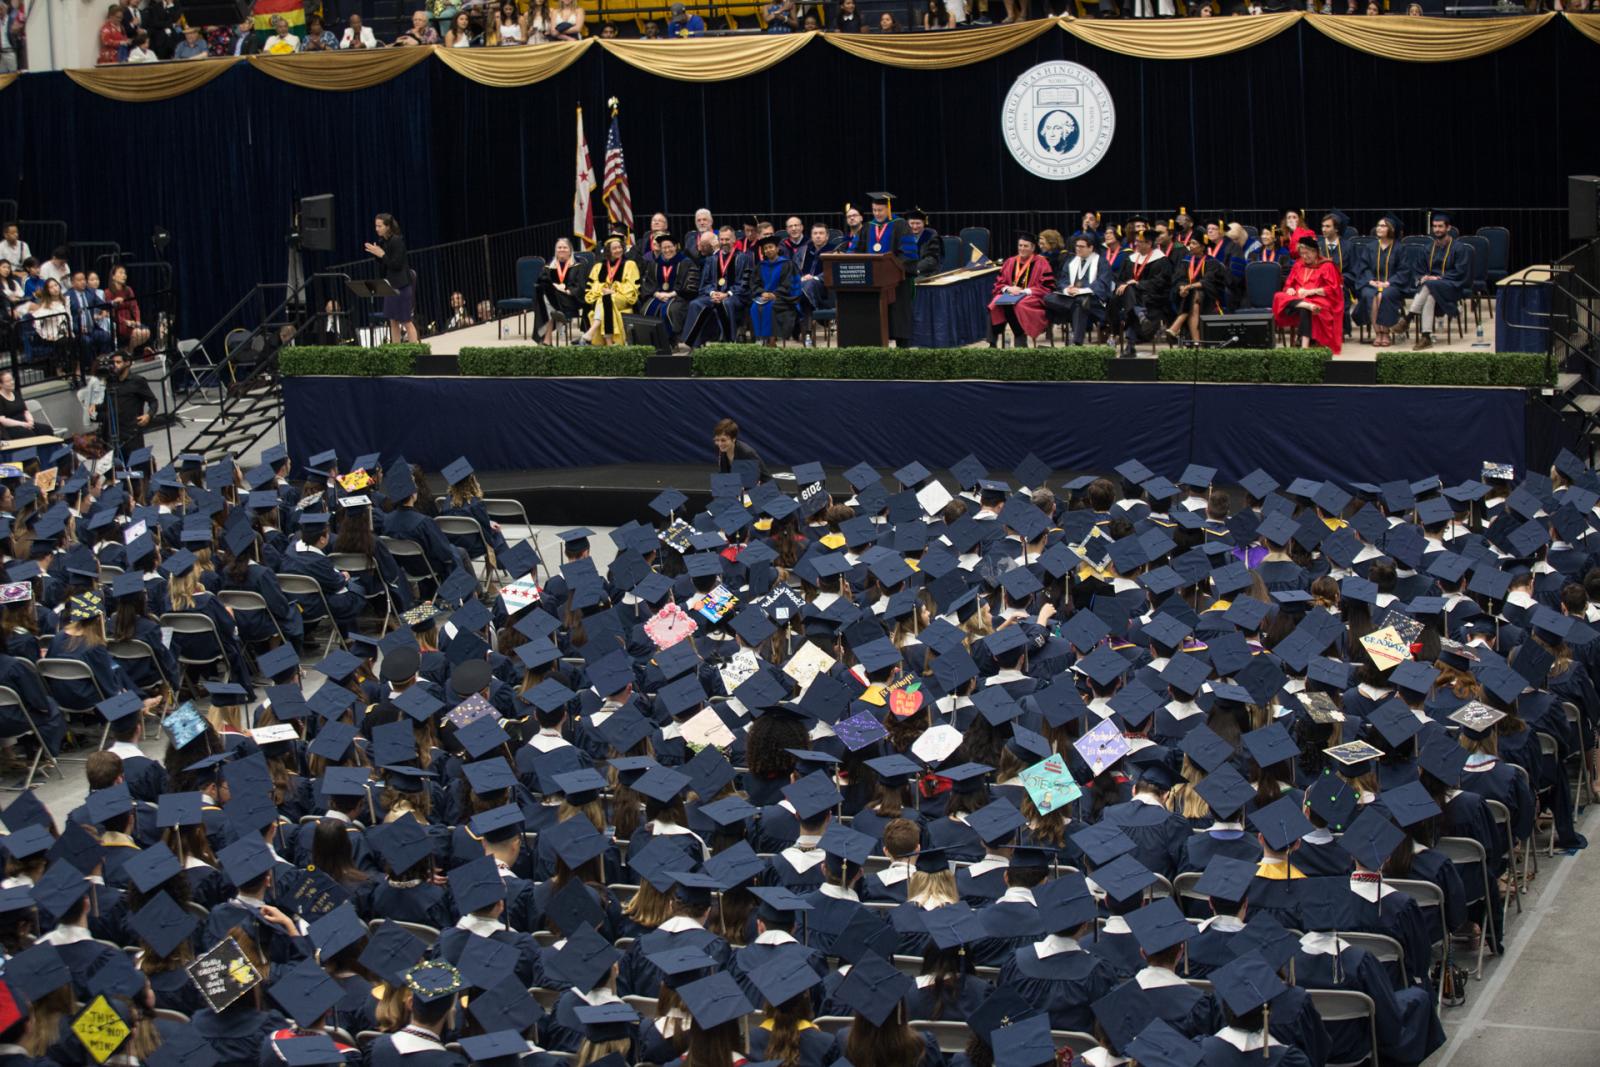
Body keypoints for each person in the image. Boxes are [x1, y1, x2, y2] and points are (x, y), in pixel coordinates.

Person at [1401, 211, 1472, 351]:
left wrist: (1439, 278)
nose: (1437, 229)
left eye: (1440, 226)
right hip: (1432, 289)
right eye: (1434, 226)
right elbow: (1418, 270)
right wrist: (1423, 278)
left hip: (1451, 286)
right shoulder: (1427, 249)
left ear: (1448, 228)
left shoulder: (1459, 248)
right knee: (1430, 295)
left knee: (1430, 285)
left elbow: (1461, 272)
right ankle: (1426, 336)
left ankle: (1409, 317)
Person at [1271, 236, 1344, 354]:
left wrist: (1311, 292)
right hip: (1298, 298)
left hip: (1319, 299)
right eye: (1302, 253)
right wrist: (1289, 289)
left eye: (1307, 253)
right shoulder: (1298, 264)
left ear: (1315, 252)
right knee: (1278, 296)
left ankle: (1304, 345)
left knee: (1304, 308)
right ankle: (1306, 306)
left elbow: (1332, 289)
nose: (1304, 256)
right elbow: (1289, 283)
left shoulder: (1327, 265)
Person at [681, 227, 751, 350]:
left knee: (725, 304)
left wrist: (727, 293)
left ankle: (728, 344)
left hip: (734, 296)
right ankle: (695, 344)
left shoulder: (744, 258)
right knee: (695, 304)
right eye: (722, 239)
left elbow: (745, 283)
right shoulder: (712, 259)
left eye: (727, 239)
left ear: (734, 239)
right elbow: (705, 283)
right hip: (713, 296)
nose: (724, 242)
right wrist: (712, 292)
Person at [1109, 228, 1172, 357]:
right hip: (1132, 297)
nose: (1136, 244)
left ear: (1149, 243)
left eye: (1140, 242)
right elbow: (1119, 279)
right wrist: (1125, 285)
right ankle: (1139, 314)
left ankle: (1130, 345)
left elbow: (1162, 282)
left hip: (1151, 297)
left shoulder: (1161, 260)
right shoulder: (1131, 259)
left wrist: (1138, 284)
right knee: (1125, 296)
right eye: (1136, 241)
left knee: (1129, 303)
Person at [862, 193, 915, 346]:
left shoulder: (901, 225)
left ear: (888, 209)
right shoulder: (868, 227)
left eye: (880, 210)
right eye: (874, 210)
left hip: (897, 282)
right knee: (876, 320)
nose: (877, 213)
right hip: (873, 282)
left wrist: (893, 270)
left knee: (899, 319)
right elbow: (856, 250)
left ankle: (902, 350)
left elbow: (909, 253)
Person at [1042, 233, 1112, 346]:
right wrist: (1066, 289)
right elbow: (1062, 280)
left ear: (1091, 248)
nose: (1078, 249)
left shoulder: (1101, 262)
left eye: (1081, 246)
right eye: (1076, 246)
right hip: (1072, 297)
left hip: (1092, 299)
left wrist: (1080, 291)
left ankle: (1077, 341)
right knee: (1047, 297)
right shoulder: (1071, 261)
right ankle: (1077, 341)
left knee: (1081, 301)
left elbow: (1102, 284)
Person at [365, 213, 419, 345]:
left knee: (406, 320)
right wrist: (377, 254)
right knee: (392, 320)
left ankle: (416, 349)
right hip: (390, 285)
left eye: (379, 226)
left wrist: (382, 254)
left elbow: (396, 264)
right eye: (376, 226)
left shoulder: (396, 240)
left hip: (402, 286)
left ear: (388, 227)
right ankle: (396, 349)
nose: (377, 229)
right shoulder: (384, 241)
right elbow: (385, 263)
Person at [1166, 233, 1228, 344]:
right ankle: (1196, 341)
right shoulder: (1186, 261)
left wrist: (1188, 287)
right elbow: (1179, 278)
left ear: (1203, 247)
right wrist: (1182, 288)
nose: (1191, 246)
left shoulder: (1211, 262)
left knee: (1196, 293)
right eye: (1190, 243)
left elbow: (1208, 282)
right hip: (1186, 295)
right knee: (1194, 300)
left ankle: (1178, 326)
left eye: (1194, 243)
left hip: (1209, 296)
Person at [98, 348, 158, 456]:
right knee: (114, 470)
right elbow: (106, 406)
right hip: (113, 435)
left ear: (127, 363)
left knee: (136, 468)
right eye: (113, 363)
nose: (115, 365)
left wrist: (148, 415)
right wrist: (95, 407)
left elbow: (153, 401)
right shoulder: (110, 383)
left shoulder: (137, 381)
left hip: (132, 435)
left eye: (118, 362)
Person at [582, 233, 640, 346]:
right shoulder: (598, 267)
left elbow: (632, 286)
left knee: (606, 299)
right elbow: (592, 286)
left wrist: (614, 290)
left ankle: (592, 331)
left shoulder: (630, 264)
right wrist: (604, 290)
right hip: (604, 298)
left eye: (620, 247)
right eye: (614, 248)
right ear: (608, 250)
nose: (618, 250)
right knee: (605, 299)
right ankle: (609, 341)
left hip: (622, 298)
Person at [1357, 214, 1406, 347]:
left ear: (1391, 229)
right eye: (1378, 225)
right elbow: (1364, 267)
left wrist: (1388, 283)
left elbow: (1403, 270)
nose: (1379, 228)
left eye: (1383, 226)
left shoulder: (1399, 248)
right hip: (1372, 283)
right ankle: (1378, 332)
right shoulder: (1370, 247)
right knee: (1371, 295)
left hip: (1393, 285)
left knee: (1383, 295)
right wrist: (1371, 281)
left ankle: (1386, 332)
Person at [749, 234, 798, 346]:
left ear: (777, 249)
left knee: (770, 306)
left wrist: (774, 294)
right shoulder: (760, 266)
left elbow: (789, 284)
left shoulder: (787, 264)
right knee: (754, 307)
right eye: (765, 248)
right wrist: (762, 292)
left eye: (771, 247)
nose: (768, 250)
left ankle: (771, 340)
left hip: (782, 298)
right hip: (764, 296)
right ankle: (760, 338)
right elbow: (754, 284)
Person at [641, 233, 691, 342]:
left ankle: (673, 341)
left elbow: (690, 284)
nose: (667, 250)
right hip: (658, 296)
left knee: (672, 310)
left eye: (670, 247)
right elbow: (648, 282)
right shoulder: (655, 263)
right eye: (664, 247)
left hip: (678, 297)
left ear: (675, 247)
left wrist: (671, 294)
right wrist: (656, 294)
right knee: (646, 309)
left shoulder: (685, 262)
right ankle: (652, 342)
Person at [537, 236, 586, 342]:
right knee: (545, 293)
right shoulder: (549, 266)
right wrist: (555, 287)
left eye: (565, 247)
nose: (562, 250)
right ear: (555, 250)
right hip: (553, 299)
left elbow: (582, 285)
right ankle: (553, 329)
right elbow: (541, 281)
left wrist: (567, 291)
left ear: (570, 250)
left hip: (570, 299)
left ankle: (546, 338)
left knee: (546, 300)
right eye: (559, 247)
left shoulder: (578, 265)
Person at [104, 263, 150, 351]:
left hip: (130, 321)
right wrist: (125, 322)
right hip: (118, 322)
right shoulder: (107, 292)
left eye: (125, 273)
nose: (124, 276)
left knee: (146, 332)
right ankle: (129, 353)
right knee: (137, 333)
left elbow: (134, 306)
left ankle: (129, 350)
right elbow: (111, 312)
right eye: (120, 273)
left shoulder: (128, 290)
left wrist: (137, 321)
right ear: (113, 277)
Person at [0, 368, 52, 440]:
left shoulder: (16, 393)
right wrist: (22, 424)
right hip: (11, 427)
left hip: (25, 422)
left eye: (12, 380)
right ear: (1, 384)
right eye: (8, 381)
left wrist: (30, 422)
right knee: (28, 434)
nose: (12, 382)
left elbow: (26, 411)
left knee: (46, 429)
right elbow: (2, 420)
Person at [713, 418, 770, 483]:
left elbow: (758, 479)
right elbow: (725, 476)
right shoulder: (723, 450)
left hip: (764, 489)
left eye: (723, 440)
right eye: (717, 440)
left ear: (733, 439)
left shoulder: (746, 453)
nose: (720, 444)